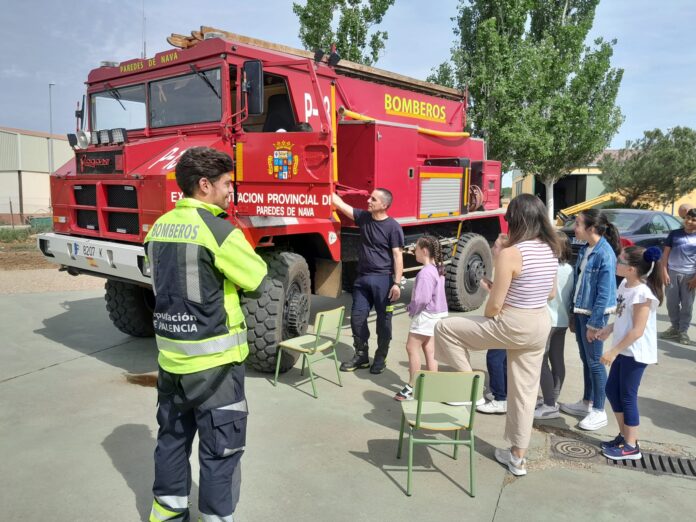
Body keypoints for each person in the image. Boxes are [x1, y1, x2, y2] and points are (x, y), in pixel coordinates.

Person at [145, 147, 268, 522]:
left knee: (171, 441)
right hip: (216, 367)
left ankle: (166, 516)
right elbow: (257, 278)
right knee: (221, 451)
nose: (231, 191)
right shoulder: (218, 231)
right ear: (204, 185)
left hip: (172, 363)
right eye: (227, 183)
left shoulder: (158, 227)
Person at [434, 194, 560, 476]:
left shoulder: (511, 253)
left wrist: (495, 303)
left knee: (445, 328)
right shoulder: (551, 249)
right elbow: (551, 293)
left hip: (512, 322)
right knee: (525, 394)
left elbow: (492, 308)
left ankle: (470, 387)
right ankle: (517, 458)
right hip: (540, 323)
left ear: (515, 220)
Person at [595, 246, 663, 460]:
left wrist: (613, 351)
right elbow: (625, 319)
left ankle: (632, 447)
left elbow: (637, 330)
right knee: (612, 390)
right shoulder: (625, 284)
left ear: (632, 269)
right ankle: (625, 437)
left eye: (620, 261)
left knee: (627, 396)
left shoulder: (643, 294)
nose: (617, 264)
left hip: (636, 352)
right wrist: (609, 328)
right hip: (625, 349)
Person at [332, 189, 405, 374]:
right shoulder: (364, 217)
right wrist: (326, 185)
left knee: (383, 323)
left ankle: (381, 357)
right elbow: (340, 205)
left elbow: (398, 255)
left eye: (373, 199)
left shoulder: (393, 227)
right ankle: (361, 355)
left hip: (384, 281)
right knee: (357, 319)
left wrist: (396, 283)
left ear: (384, 205)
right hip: (362, 279)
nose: (368, 200)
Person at [560, 209, 620, 431]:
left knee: (595, 363)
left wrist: (595, 324)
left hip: (594, 315)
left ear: (591, 228)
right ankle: (587, 402)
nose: (574, 228)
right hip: (581, 311)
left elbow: (605, 293)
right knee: (587, 360)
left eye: (578, 223)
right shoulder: (587, 248)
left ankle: (599, 410)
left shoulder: (604, 253)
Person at [393, 235, 447, 401]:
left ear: (424, 251)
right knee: (430, 350)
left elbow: (421, 299)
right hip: (438, 314)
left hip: (425, 316)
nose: (413, 251)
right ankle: (433, 385)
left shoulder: (424, 273)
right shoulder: (438, 269)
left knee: (411, 348)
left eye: (416, 248)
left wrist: (411, 309)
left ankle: (412, 386)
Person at [535, 232, 574, 420]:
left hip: (547, 321)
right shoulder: (570, 269)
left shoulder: (548, 268)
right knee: (557, 359)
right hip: (563, 320)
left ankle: (549, 403)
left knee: (540, 361)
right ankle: (553, 399)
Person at [658, 207, 696, 345]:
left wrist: (695, 279)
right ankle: (674, 327)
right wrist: (664, 272)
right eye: (688, 218)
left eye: (693, 220)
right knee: (671, 303)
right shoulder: (674, 234)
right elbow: (665, 256)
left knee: (687, 304)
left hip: (690, 276)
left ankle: (683, 331)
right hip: (672, 273)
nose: (689, 221)